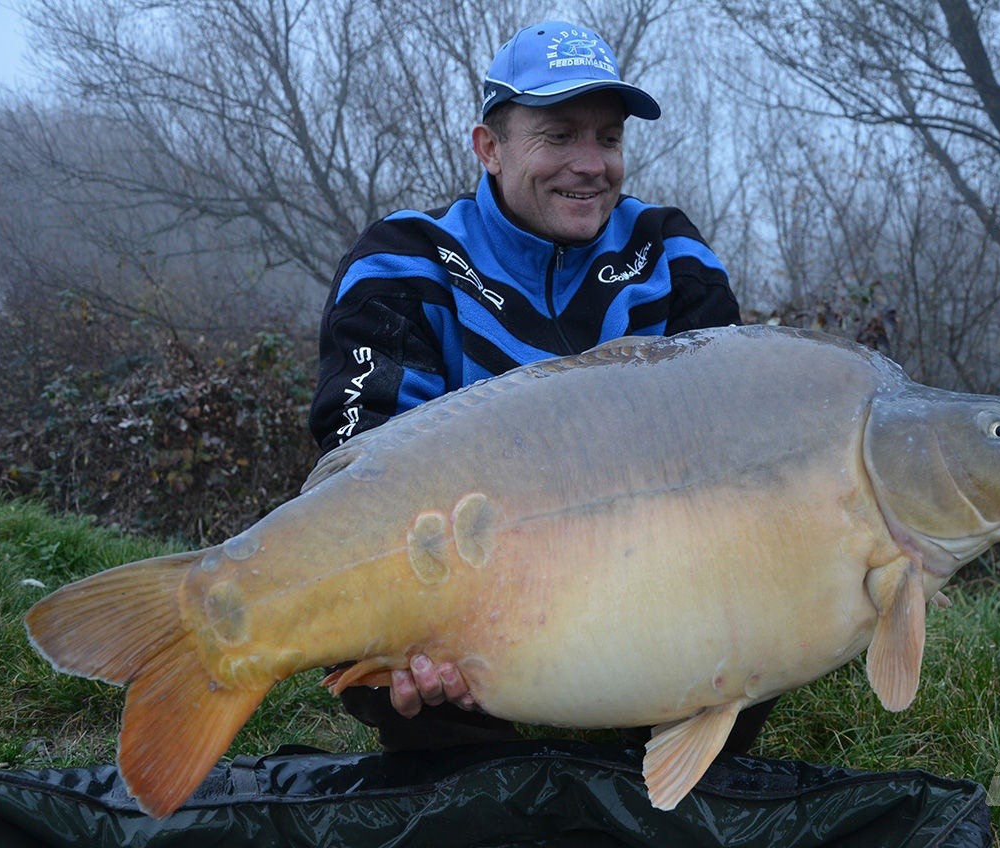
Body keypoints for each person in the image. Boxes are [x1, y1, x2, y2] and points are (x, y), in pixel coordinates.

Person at [308, 20, 773, 756]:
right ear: (488, 148)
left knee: (760, 606)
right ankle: (470, 769)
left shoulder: (670, 254)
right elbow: (361, 479)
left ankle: (657, 755)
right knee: (367, 615)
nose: (592, 165)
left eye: (609, 138)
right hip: (466, 588)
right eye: (558, 137)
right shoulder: (404, 259)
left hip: (641, 580)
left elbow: (733, 456)